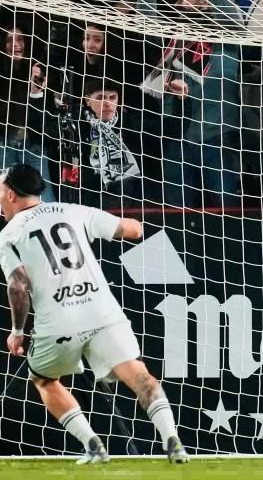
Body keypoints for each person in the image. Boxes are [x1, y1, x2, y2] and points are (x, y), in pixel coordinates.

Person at [0, 164, 188, 464]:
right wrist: (131, 223)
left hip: (58, 321)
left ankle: (93, 445)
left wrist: (18, 331)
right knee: (138, 374)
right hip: (101, 313)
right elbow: (134, 230)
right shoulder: (74, 211)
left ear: (11, 195)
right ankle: (171, 439)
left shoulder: (10, 234)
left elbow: (18, 285)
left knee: (43, 380)